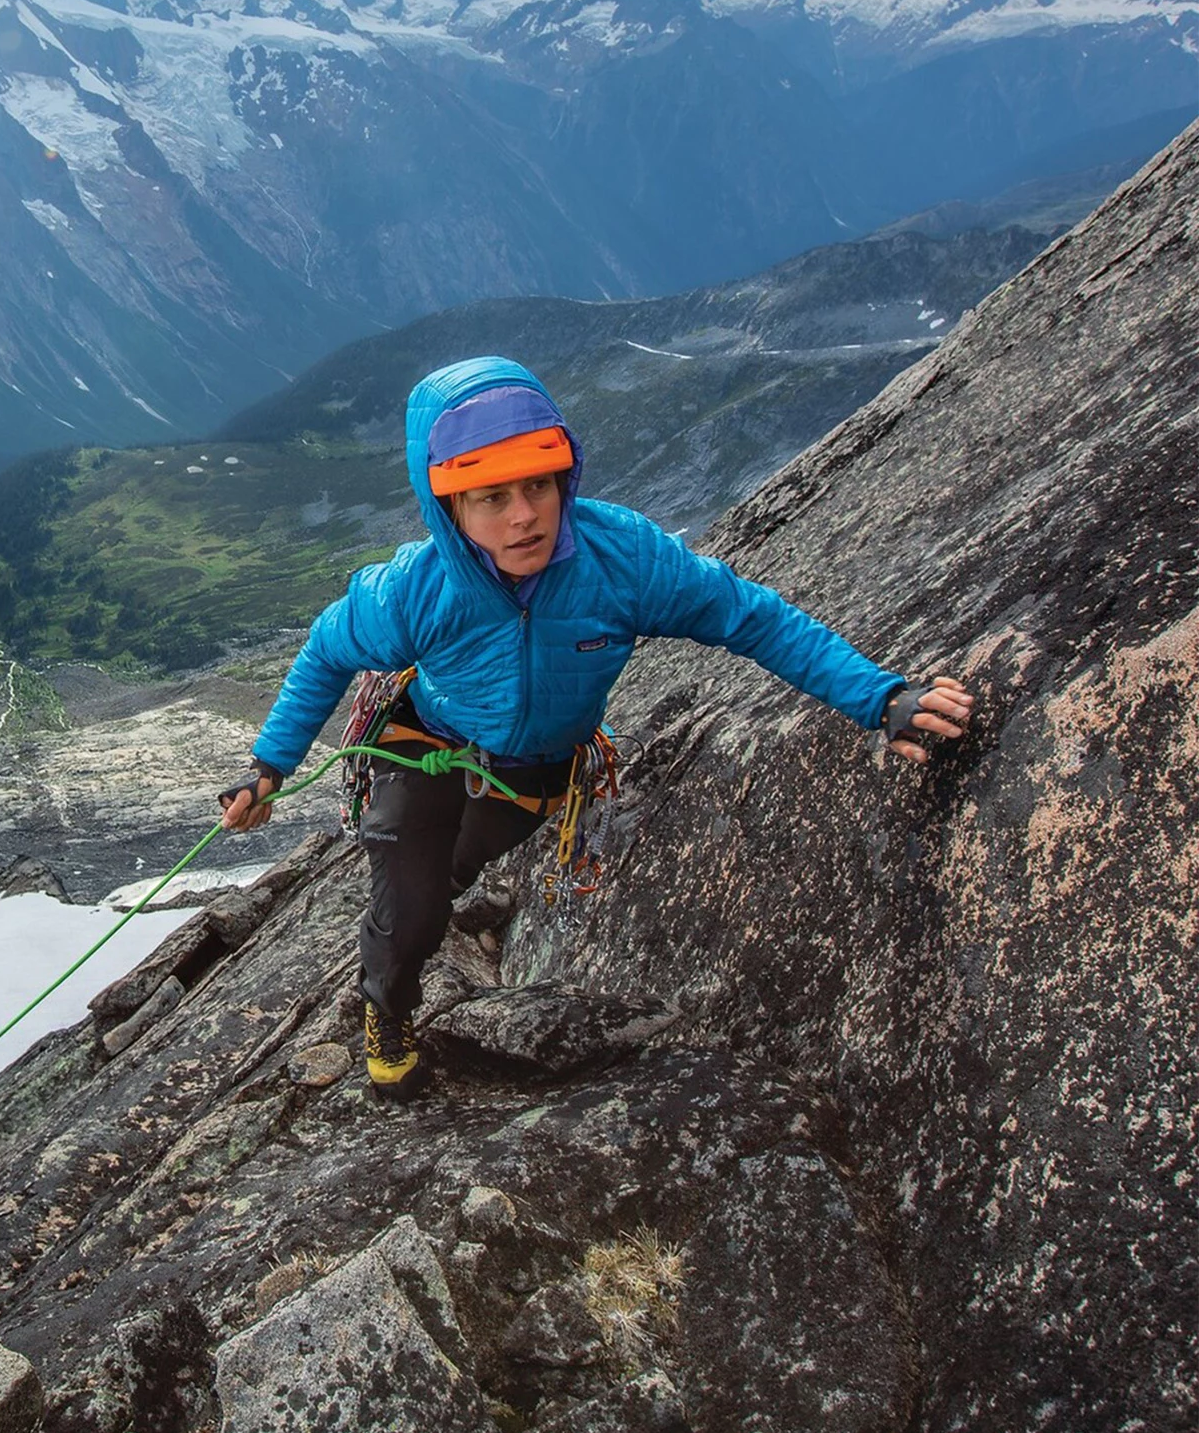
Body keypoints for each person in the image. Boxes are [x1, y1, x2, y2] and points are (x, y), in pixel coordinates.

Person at [215, 356, 973, 1099]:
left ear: (563, 477)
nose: (524, 515)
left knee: (446, 879)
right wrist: (269, 767)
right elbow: (325, 649)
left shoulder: (621, 561)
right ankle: (388, 1011)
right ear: (447, 506)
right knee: (410, 906)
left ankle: (424, 905)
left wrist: (880, 697)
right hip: (426, 742)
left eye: (538, 485)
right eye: (491, 496)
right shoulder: (416, 591)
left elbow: (752, 618)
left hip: (533, 767)